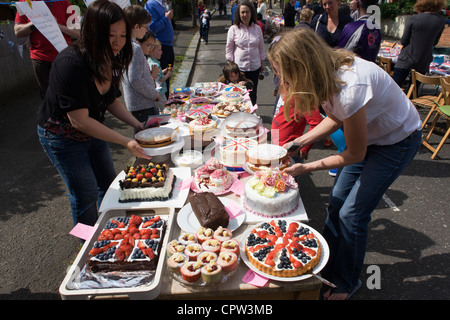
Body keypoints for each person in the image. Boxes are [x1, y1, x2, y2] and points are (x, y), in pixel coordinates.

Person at [268, 28, 422, 299]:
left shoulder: (350, 86)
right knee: (337, 201)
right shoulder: (325, 74)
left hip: (398, 141)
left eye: (283, 73)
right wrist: (298, 142)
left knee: (352, 214)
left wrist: (307, 167)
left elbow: (355, 154)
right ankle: (327, 267)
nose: (281, 80)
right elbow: (337, 117)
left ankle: (347, 281)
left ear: (302, 67)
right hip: (371, 138)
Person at [37, 0, 150, 227]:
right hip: (62, 136)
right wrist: (125, 140)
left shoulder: (112, 58)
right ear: (94, 32)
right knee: (85, 192)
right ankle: (87, 248)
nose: (117, 42)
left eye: (122, 35)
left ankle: (110, 231)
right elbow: (79, 121)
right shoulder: (70, 63)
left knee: (108, 184)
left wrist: (137, 125)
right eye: (110, 35)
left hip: (91, 129)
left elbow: (110, 101)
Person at [14, 0, 80, 99]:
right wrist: (35, 22)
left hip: (64, 57)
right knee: (48, 96)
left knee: (68, 93)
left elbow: (77, 32)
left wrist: (56, 25)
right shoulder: (25, 2)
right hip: (40, 59)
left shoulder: (64, 2)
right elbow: (17, 32)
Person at [392, 0, 446, 88]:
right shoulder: (440, 20)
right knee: (413, 90)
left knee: (394, 87)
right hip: (423, 60)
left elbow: (404, 40)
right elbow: (435, 42)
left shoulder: (415, 18)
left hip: (407, 58)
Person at [122, 5, 161, 124]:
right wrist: (154, 94)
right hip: (142, 104)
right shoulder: (135, 48)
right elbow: (135, 79)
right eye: (146, 27)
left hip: (136, 103)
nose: (146, 30)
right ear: (136, 26)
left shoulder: (126, 44)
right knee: (149, 138)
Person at [226, 1, 265, 105]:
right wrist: (230, 65)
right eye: (242, 12)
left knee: (252, 92)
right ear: (238, 14)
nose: (245, 15)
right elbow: (229, 49)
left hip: (254, 67)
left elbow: (261, 47)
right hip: (239, 69)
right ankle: (240, 115)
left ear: (251, 13)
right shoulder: (233, 29)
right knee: (238, 93)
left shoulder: (257, 29)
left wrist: (262, 62)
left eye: (247, 12)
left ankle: (251, 115)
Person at [145, 0, 175, 98]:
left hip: (168, 46)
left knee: (168, 70)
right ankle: (163, 100)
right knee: (161, 79)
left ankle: (166, 98)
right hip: (161, 46)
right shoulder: (151, 4)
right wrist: (166, 18)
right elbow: (152, 28)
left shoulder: (162, 5)